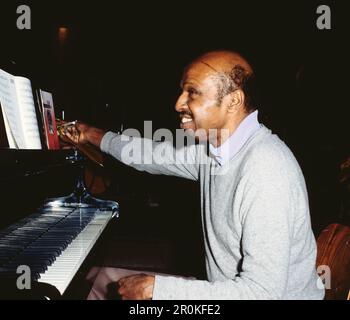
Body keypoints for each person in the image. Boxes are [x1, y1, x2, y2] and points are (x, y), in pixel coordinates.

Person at [62, 50, 324, 300]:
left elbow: (262, 293)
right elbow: (149, 155)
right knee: (102, 278)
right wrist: (89, 133)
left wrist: (157, 291)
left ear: (233, 101)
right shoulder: (216, 152)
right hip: (227, 290)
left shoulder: (266, 170)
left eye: (192, 92)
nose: (178, 103)